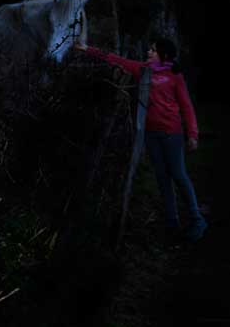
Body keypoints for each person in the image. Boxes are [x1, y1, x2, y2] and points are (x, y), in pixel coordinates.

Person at [74, 36, 207, 242]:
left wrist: (193, 134)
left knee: (179, 175)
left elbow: (186, 106)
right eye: (149, 50)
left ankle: (197, 219)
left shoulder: (175, 76)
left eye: (153, 50)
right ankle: (172, 223)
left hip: (172, 134)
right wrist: (87, 49)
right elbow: (115, 59)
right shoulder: (143, 69)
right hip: (151, 134)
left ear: (164, 54)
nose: (148, 53)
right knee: (162, 179)